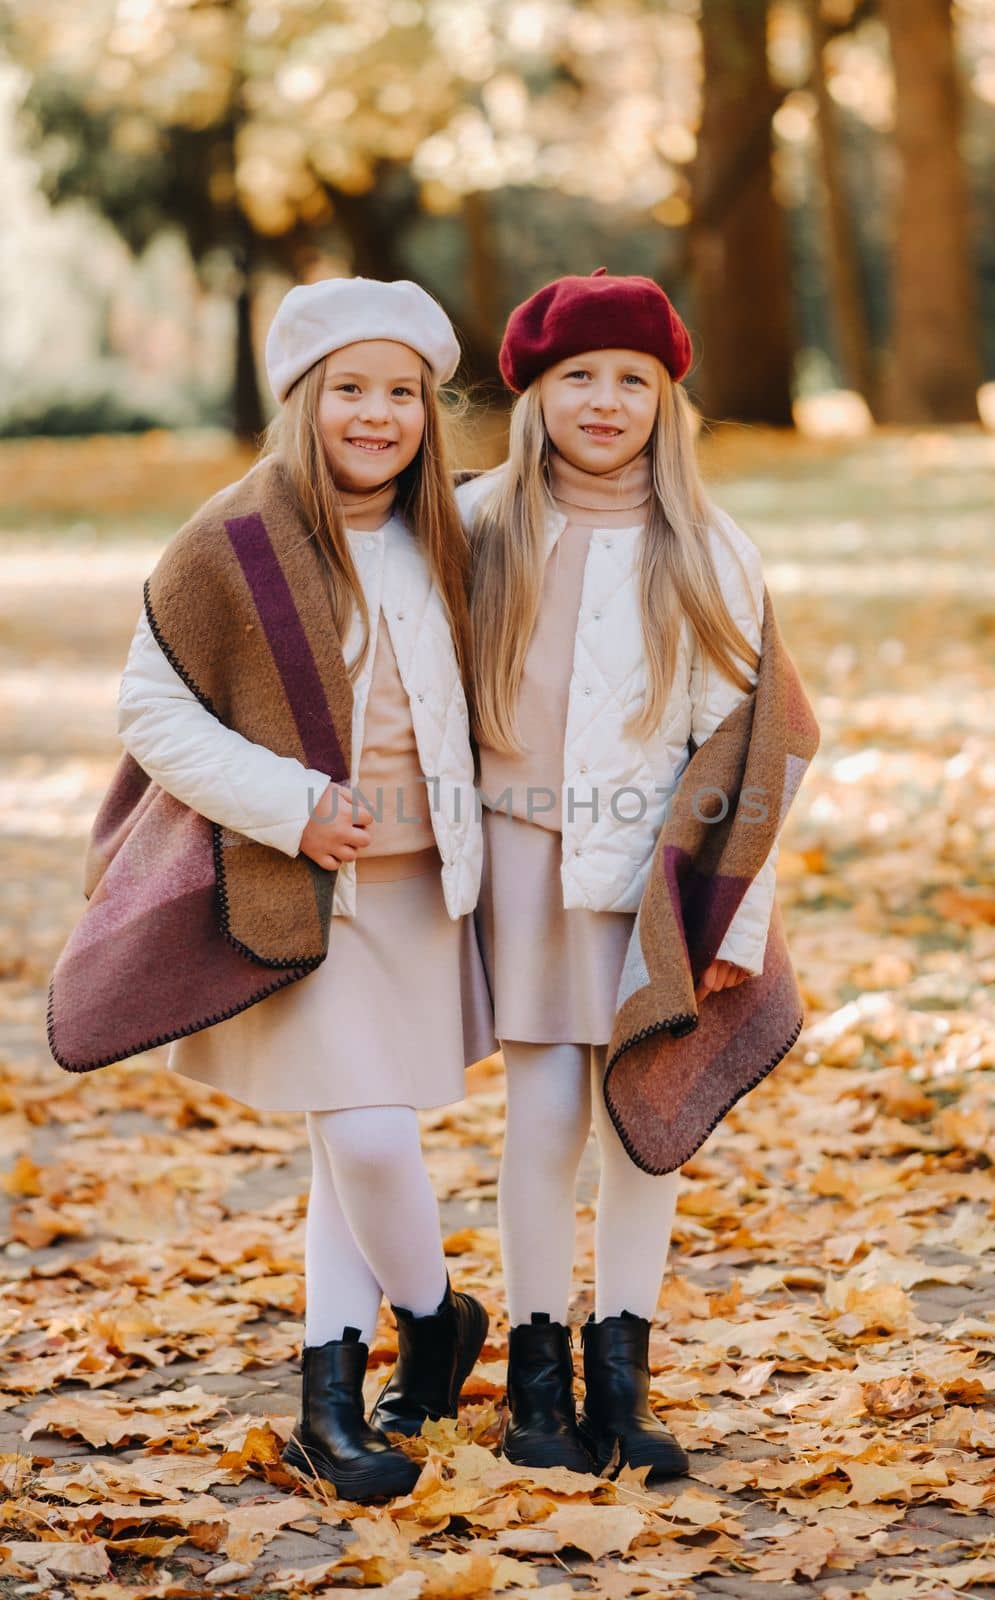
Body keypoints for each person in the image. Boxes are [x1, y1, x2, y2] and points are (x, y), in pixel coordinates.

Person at [115, 278, 493, 1502]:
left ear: (429, 412)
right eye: (350, 390)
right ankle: (433, 1321)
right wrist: (288, 801)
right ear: (304, 401)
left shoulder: (454, 536)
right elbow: (152, 709)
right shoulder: (232, 542)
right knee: (365, 1128)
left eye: (401, 393)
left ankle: (332, 1399)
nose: (376, 414)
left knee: (350, 1138)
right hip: (304, 882)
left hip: (420, 884)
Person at [460, 270, 776, 1480]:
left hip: (653, 871)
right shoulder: (477, 524)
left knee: (646, 1126)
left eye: (630, 381)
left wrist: (724, 904)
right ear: (532, 395)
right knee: (543, 1117)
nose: (603, 401)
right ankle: (536, 1380)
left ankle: (623, 1376)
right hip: (524, 862)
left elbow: (742, 743)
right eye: (575, 377)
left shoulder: (705, 545)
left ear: (665, 400)